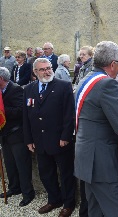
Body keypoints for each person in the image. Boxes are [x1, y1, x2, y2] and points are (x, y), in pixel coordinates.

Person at [74, 41, 118, 217]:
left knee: (95, 209)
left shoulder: (85, 79)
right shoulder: (107, 84)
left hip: (86, 157)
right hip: (101, 162)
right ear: (112, 64)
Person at [23, 58, 76, 217]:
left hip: (60, 140)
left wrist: (66, 136)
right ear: (35, 72)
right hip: (39, 140)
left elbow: (69, 114)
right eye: (43, 69)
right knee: (46, 173)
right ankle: (54, 199)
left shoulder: (63, 86)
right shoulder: (29, 89)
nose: (47, 71)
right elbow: (26, 116)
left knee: (66, 173)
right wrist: (29, 139)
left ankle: (68, 203)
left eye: (48, 68)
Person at [0, 67, 35, 207]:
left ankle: (28, 193)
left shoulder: (16, 89)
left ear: (1, 79)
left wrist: (2, 110)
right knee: (9, 164)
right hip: (5, 134)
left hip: (17, 134)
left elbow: (20, 111)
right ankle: (14, 188)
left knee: (22, 165)